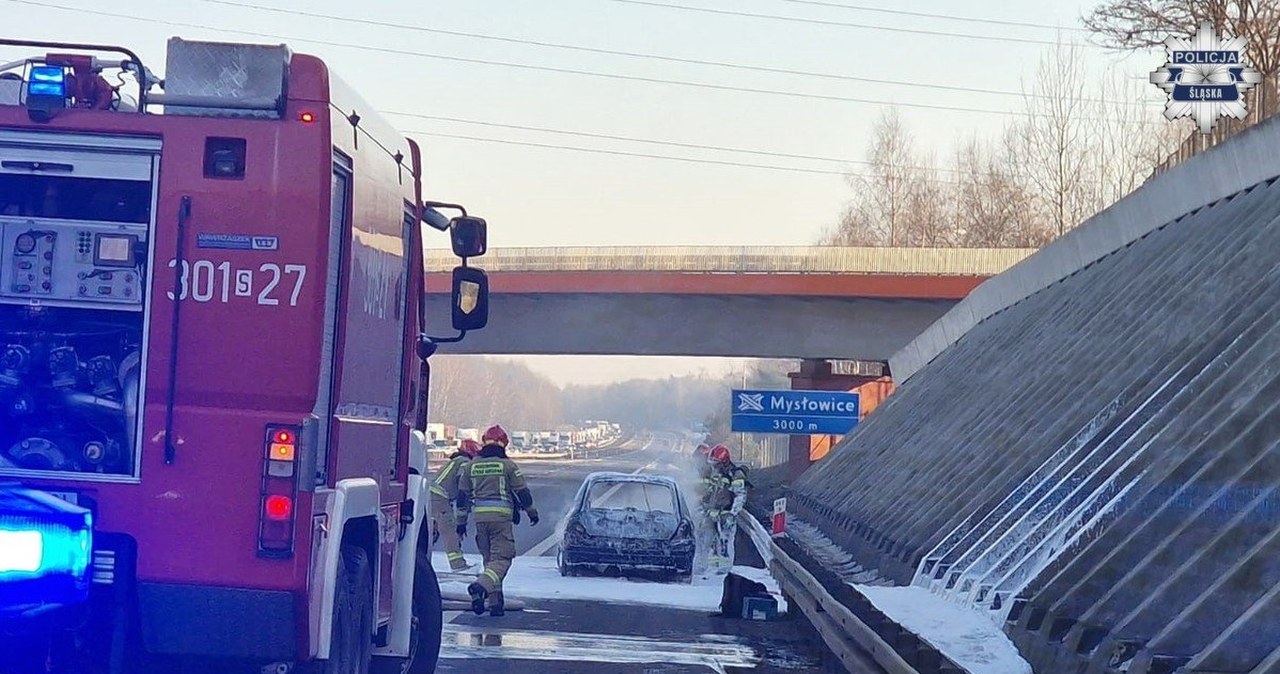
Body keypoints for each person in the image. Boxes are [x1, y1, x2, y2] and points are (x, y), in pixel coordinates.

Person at [457, 424, 539, 617]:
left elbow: (462, 498)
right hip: (501, 520)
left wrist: (461, 523)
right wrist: (531, 512)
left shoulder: (471, 466)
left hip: (480, 520)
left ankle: (495, 604)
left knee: (490, 562)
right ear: (503, 444)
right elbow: (522, 492)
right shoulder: (508, 465)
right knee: (502, 559)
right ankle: (480, 587)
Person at [429, 439, 480, 572]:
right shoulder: (464, 462)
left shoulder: (456, 461)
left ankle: (420, 560)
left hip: (432, 496)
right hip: (440, 498)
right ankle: (458, 565)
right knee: (449, 530)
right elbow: (463, 484)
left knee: (431, 532)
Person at [707, 445, 749, 570]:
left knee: (726, 543)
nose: (714, 466)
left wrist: (732, 514)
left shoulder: (735, 475)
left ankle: (725, 570)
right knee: (714, 544)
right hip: (715, 516)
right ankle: (713, 571)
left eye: (716, 463)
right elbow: (715, 493)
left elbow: (740, 495)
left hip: (726, 515)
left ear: (724, 462)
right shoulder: (718, 474)